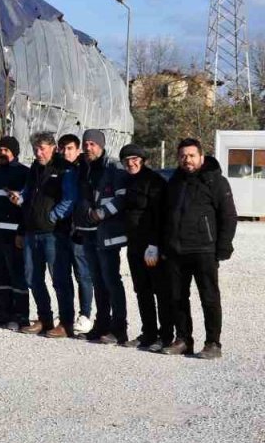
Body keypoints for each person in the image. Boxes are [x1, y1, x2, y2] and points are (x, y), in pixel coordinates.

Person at [160, 138, 236, 359]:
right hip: (176, 251)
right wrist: (165, 245)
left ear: (201, 157)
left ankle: (213, 343)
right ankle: (183, 339)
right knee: (177, 298)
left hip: (204, 250)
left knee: (209, 298)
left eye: (192, 155)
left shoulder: (216, 181)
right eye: (183, 155)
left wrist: (223, 247)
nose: (187, 160)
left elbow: (228, 216)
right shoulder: (174, 182)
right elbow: (166, 216)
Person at [16, 132, 77, 336]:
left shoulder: (64, 169)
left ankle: (66, 323)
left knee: (59, 279)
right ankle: (45, 318)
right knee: (32, 277)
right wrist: (20, 198)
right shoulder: (34, 168)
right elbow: (27, 191)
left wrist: (53, 216)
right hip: (32, 231)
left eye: (42, 148)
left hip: (54, 233)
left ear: (52, 147)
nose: (38, 152)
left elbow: (70, 199)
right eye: (35, 149)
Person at [73, 129, 129, 345]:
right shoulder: (83, 167)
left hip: (107, 233)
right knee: (97, 281)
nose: (88, 148)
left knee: (111, 281)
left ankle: (119, 328)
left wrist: (102, 213)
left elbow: (122, 197)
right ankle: (101, 325)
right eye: (85, 144)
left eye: (92, 144)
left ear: (101, 146)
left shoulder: (113, 167)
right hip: (87, 233)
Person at [118, 144, 171, 352]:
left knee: (160, 291)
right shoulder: (127, 181)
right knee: (142, 290)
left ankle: (166, 336)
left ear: (143, 159)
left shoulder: (154, 181)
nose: (130, 163)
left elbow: (161, 215)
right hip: (134, 244)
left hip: (151, 245)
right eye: (126, 160)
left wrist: (155, 244)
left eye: (134, 158)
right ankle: (148, 333)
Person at [0, 137, 30, 330]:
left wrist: (21, 232)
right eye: (0, 149)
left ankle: (20, 315)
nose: (2, 153)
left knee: (16, 276)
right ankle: (2, 312)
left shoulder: (23, 173)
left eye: (6, 150)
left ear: (14, 151)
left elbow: (26, 207)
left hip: (13, 235)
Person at [59, 134, 95, 335]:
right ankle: (67, 315)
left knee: (83, 275)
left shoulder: (84, 169)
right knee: (63, 275)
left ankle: (85, 314)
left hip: (80, 230)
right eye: (63, 148)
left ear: (78, 149)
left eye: (70, 148)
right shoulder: (59, 168)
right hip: (61, 231)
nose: (66, 152)